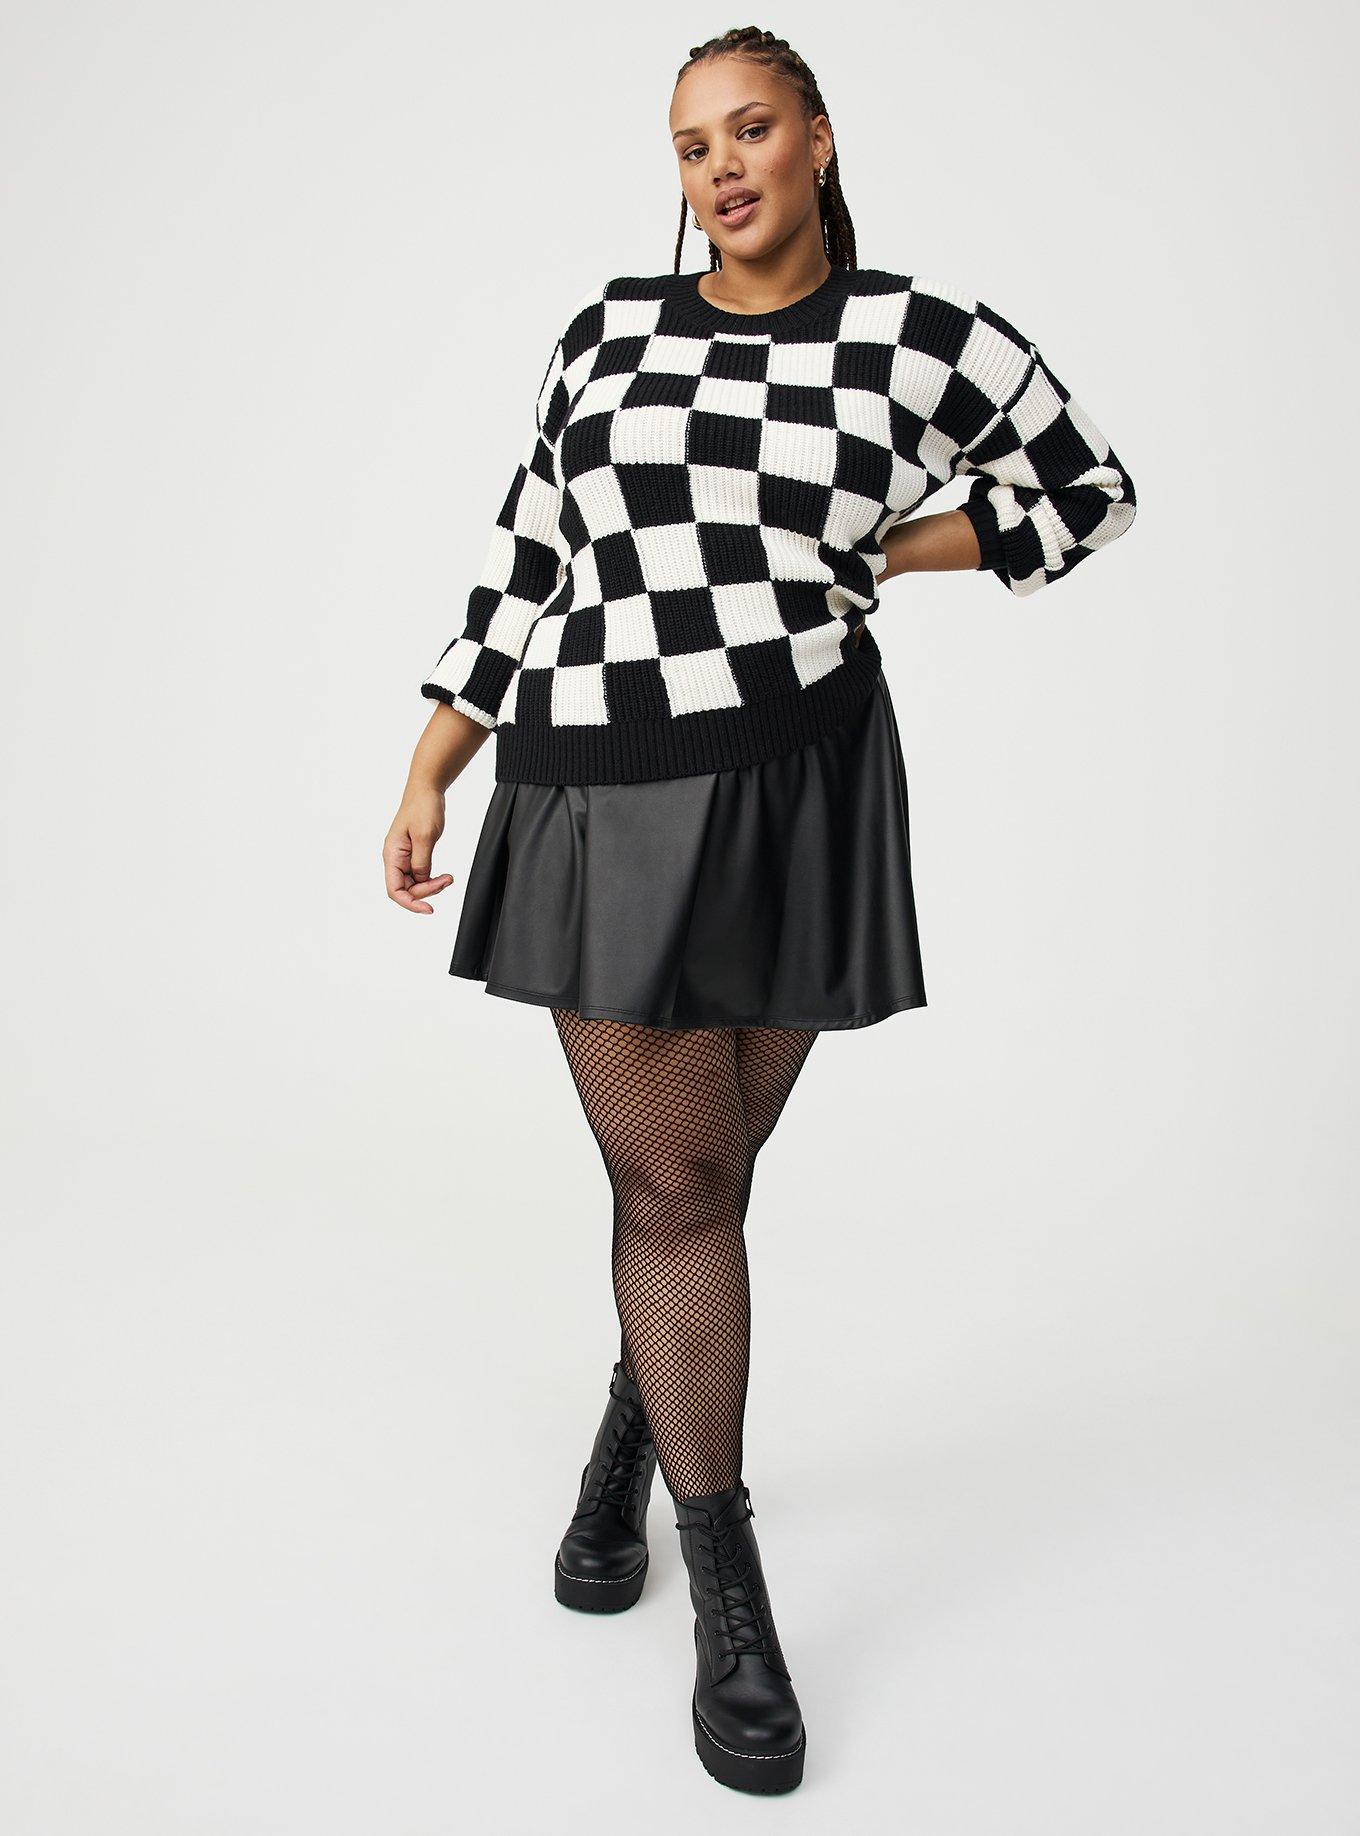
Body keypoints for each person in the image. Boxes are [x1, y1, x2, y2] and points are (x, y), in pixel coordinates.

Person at [383, 25, 1137, 1796]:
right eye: (689, 144)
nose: (719, 168)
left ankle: (626, 1447)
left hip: (800, 777)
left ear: (817, 138)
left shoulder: (917, 338)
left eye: (748, 130)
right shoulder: (608, 334)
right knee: (678, 1185)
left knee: (708, 1172)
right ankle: (730, 1592)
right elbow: (528, 552)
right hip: (599, 774)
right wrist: (433, 758)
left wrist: (896, 547)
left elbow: (1085, 494)